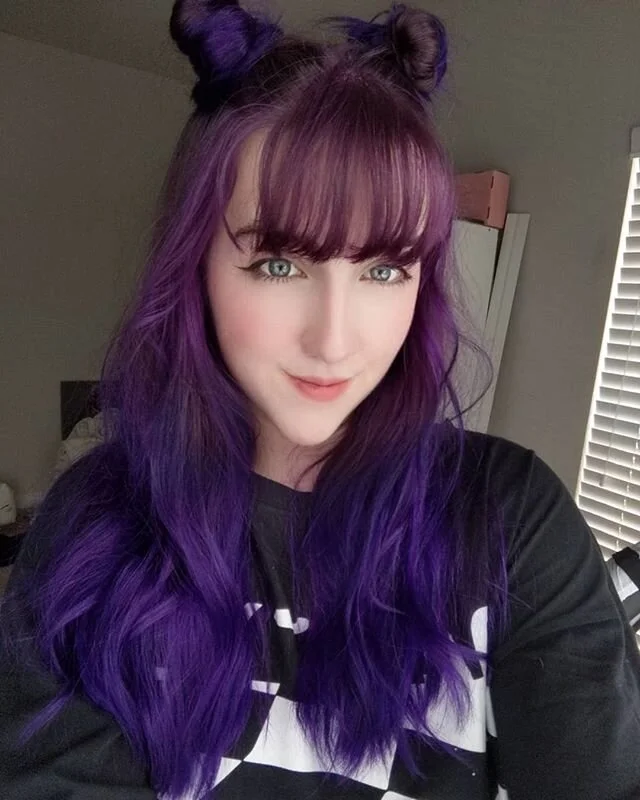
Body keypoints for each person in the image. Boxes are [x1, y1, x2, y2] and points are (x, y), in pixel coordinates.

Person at [1, 2, 639, 799]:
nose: (335, 341)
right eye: (279, 264)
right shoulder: (94, 525)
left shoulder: (511, 518)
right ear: (197, 267)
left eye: (384, 269)